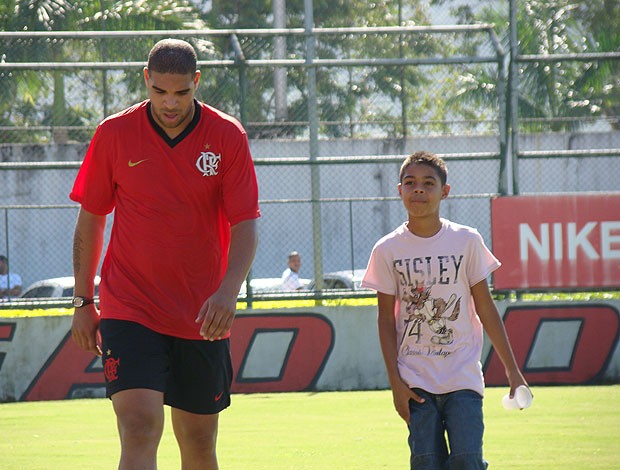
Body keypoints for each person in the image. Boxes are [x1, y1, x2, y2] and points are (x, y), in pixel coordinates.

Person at [69, 38, 260, 469]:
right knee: (138, 425)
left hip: (202, 312)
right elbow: (91, 219)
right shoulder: (114, 133)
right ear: (145, 81)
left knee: (197, 440)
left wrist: (229, 291)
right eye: (159, 91)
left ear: (196, 82)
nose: (170, 103)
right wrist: (84, 300)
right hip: (130, 306)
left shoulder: (227, 135)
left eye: (181, 92)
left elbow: (245, 222)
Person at [361, 151, 528, 469]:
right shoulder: (387, 249)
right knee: (426, 462)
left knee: (467, 460)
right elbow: (385, 319)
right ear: (400, 191)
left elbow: (486, 308)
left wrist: (512, 370)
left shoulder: (467, 241)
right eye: (410, 183)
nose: (418, 190)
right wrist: (395, 382)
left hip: (462, 375)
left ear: (445, 191)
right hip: (415, 381)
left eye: (428, 183)